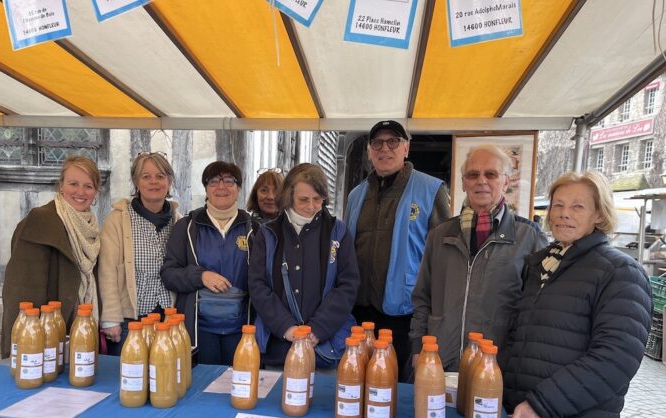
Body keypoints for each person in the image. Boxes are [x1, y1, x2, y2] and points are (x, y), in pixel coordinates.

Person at [503, 171, 652, 418]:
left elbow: (616, 357)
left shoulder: (619, 271)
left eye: (577, 206)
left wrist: (540, 404)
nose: (564, 214)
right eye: (558, 205)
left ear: (599, 215)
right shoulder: (543, 263)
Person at [409, 144, 548, 371]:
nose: (481, 181)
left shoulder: (529, 237)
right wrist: (417, 348)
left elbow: (534, 312)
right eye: (473, 175)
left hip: (495, 366)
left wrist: (515, 361)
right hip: (440, 361)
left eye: (491, 174)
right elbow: (422, 298)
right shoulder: (440, 235)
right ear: (463, 183)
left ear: (505, 182)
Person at [345, 120, 451, 376]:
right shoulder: (356, 195)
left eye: (393, 141)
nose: (385, 148)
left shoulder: (431, 190)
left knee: (396, 382)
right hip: (359, 310)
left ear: (406, 148)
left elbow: (444, 256)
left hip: (405, 312)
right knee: (357, 377)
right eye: (377, 143)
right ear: (369, 151)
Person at [249, 163, 359, 365]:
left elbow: (348, 285)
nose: (310, 206)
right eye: (303, 199)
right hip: (278, 347)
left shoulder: (338, 232)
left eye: (317, 199)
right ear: (289, 196)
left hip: (325, 347)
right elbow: (258, 284)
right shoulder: (268, 233)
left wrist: (318, 328)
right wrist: (285, 327)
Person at [1, 156, 101, 357]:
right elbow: (20, 290)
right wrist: (30, 340)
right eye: (73, 184)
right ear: (61, 186)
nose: (81, 192)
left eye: (88, 186)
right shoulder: (40, 220)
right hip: (45, 334)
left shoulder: (92, 229)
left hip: (79, 327)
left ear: (96, 192)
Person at [160, 161, 256, 365]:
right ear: (206, 188)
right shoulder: (187, 226)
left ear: (239, 188)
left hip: (242, 328)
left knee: (238, 381)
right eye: (213, 181)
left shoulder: (254, 229)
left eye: (229, 181)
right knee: (202, 380)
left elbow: (264, 278)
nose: (221, 187)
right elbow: (169, 274)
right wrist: (201, 276)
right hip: (199, 328)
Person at [98, 152, 181, 355]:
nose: (154, 182)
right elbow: (107, 272)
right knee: (130, 372)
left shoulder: (178, 221)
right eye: (146, 176)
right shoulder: (117, 220)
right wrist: (110, 319)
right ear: (136, 182)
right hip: (130, 323)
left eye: (160, 176)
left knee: (164, 371)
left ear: (169, 181)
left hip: (167, 320)